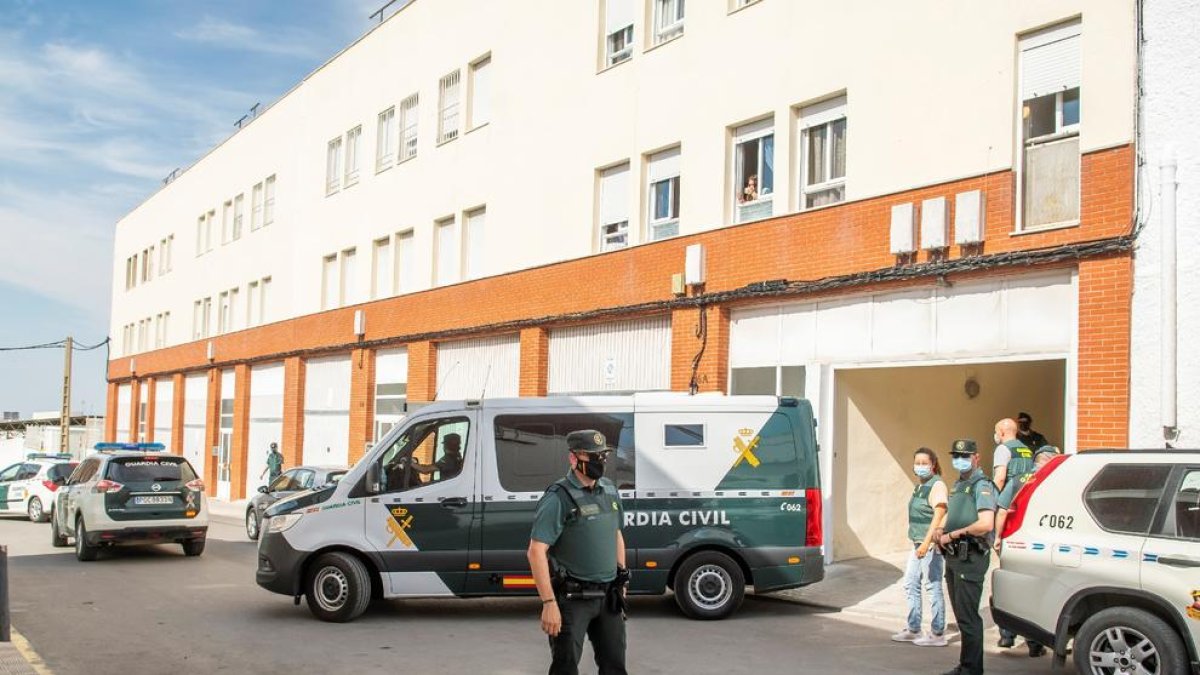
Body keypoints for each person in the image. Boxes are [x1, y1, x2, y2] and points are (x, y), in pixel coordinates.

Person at [527, 430, 628, 675]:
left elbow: (616, 534)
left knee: (614, 666)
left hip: (609, 597)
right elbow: (536, 551)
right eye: (591, 456)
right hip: (573, 600)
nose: (599, 461)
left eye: (602, 455)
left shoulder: (610, 490)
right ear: (573, 459)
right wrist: (549, 602)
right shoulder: (558, 497)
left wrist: (622, 578)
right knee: (565, 668)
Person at [935, 439, 997, 675]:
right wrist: (941, 529)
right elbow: (952, 512)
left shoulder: (982, 485)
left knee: (969, 618)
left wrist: (953, 535)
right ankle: (965, 665)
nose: (960, 460)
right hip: (954, 556)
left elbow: (985, 523)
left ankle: (972, 669)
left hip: (970, 556)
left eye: (965, 455)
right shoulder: (959, 485)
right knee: (962, 616)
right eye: (956, 456)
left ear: (976, 457)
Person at [992, 445, 1060, 657]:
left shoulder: (1019, 479)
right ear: (1050, 460)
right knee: (1034, 592)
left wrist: (997, 537)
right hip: (1040, 544)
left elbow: (1002, 511)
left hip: (1014, 540)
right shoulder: (1053, 481)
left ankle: (1006, 635)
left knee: (1011, 587)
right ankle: (1034, 643)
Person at [892, 447, 949, 647]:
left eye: (925, 463)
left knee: (932, 585)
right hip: (918, 543)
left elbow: (939, 514)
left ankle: (937, 632)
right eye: (918, 463)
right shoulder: (920, 485)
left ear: (933, 465)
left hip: (930, 544)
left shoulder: (937, 485)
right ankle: (914, 628)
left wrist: (927, 543)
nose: (921, 466)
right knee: (911, 582)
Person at [990, 418, 1034, 492]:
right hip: (1026, 495)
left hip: (1009, 498)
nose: (995, 434)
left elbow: (1000, 479)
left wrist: (992, 499)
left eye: (996, 431)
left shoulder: (1003, 449)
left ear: (1002, 432)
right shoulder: (1027, 449)